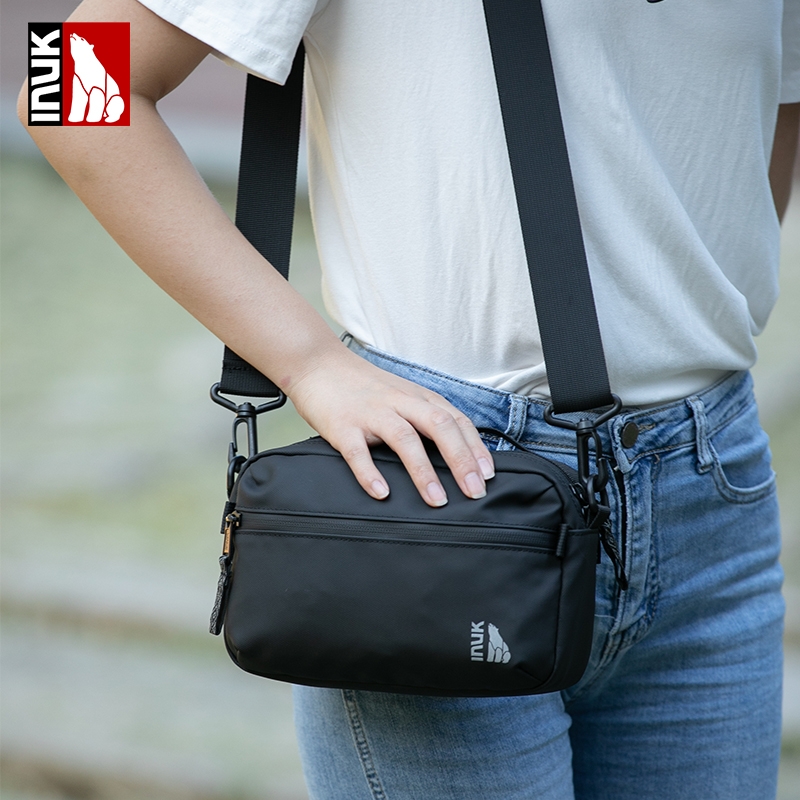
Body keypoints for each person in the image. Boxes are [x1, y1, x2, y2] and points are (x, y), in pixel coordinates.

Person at [20, 0, 800, 796]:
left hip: (713, 492)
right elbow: (64, 81)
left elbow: (770, 105)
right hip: (443, 493)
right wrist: (309, 362)